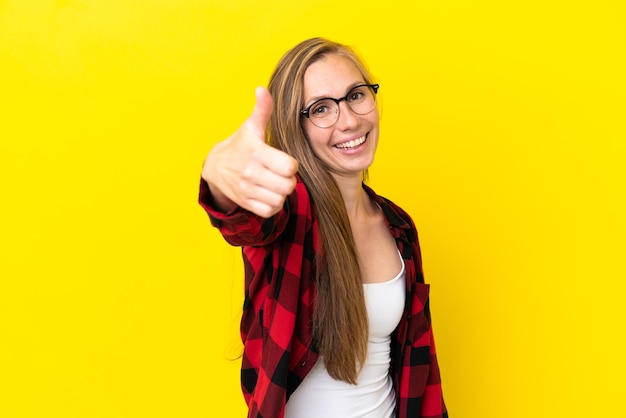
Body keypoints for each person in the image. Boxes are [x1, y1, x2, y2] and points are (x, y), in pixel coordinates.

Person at [199, 37, 447, 418]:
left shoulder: (398, 226)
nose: (348, 120)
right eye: (321, 108)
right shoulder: (291, 211)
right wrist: (218, 173)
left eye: (356, 96)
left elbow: (420, 368)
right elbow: (246, 222)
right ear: (294, 125)